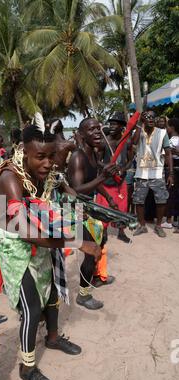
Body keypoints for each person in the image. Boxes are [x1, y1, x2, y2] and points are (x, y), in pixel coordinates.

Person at [0, 115, 100, 380]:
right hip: (16, 245)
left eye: (51, 157)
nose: (48, 164)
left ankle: (52, 338)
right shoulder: (10, 179)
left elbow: (71, 195)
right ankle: (27, 367)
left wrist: (89, 218)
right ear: (25, 152)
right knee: (31, 306)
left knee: (51, 294)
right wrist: (76, 242)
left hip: (43, 237)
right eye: (41, 157)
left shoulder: (48, 173)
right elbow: (23, 230)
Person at [67, 118, 118, 310]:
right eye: (91, 130)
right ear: (81, 135)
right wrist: (104, 177)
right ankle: (83, 295)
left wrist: (109, 198)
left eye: (99, 128)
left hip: (89, 207)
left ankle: (95, 277)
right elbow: (77, 190)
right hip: (76, 211)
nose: (98, 132)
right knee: (90, 251)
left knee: (101, 240)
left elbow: (95, 179)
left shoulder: (93, 154)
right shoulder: (78, 157)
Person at [132, 110, 174, 238]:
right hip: (141, 173)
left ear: (156, 119)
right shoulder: (138, 132)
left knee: (161, 200)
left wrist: (170, 173)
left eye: (153, 117)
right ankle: (142, 225)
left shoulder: (162, 133)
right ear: (143, 119)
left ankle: (159, 226)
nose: (150, 119)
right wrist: (139, 123)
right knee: (139, 200)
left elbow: (168, 153)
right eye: (147, 117)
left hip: (157, 172)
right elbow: (133, 142)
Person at [96, 112, 134, 244]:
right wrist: (107, 167)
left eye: (114, 124)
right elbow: (97, 160)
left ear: (122, 126)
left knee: (122, 208)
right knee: (104, 209)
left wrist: (123, 169)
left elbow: (130, 160)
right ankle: (104, 233)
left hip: (120, 182)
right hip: (106, 182)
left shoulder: (127, 141)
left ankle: (121, 232)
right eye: (110, 124)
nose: (111, 126)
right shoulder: (103, 142)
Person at [166, 118, 179, 233]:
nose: (166, 128)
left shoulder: (171, 141)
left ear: (172, 127)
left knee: (171, 195)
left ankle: (169, 221)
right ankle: (175, 220)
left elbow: (168, 156)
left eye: (168, 126)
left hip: (173, 170)